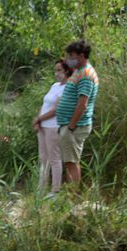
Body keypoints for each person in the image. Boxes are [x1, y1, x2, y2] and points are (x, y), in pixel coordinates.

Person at [55, 40, 99, 188]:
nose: (68, 58)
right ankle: (70, 194)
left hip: (74, 126)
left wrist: (71, 126)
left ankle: (72, 195)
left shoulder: (86, 74)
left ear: (81, 55)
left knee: (71, 163)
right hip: (68, 125)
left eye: (71, 55)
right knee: (70, 161)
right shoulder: (79, 72)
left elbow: (82, 103)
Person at [33, 60, 72, 194]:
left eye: (59, 70)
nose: (56, 73)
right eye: (55, 70)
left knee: (54, 158)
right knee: (43, 158)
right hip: (43, 126)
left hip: (53, 126)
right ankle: (41, 188)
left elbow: (56, 109)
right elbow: (45, 104)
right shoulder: (55, 86)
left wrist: (40, 119)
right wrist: (38, 121)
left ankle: (55, 190)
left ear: (67, 71)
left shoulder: (67, 88)